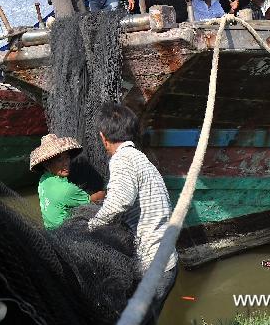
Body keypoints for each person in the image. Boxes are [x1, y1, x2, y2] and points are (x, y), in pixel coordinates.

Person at [87, 103, 177, 325]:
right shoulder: (140, 158)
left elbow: (119, 202)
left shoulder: (122, 159)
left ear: (103, 137)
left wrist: (91, 226)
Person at [29, 133, 105, 229]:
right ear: (47, 164)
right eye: (60, 160)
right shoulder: (66, 190)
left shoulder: (43, 180)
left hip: (49, 230)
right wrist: (110, 191)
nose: (66, 163)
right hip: (64, 233)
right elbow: (94, 199)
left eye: (67, 157)